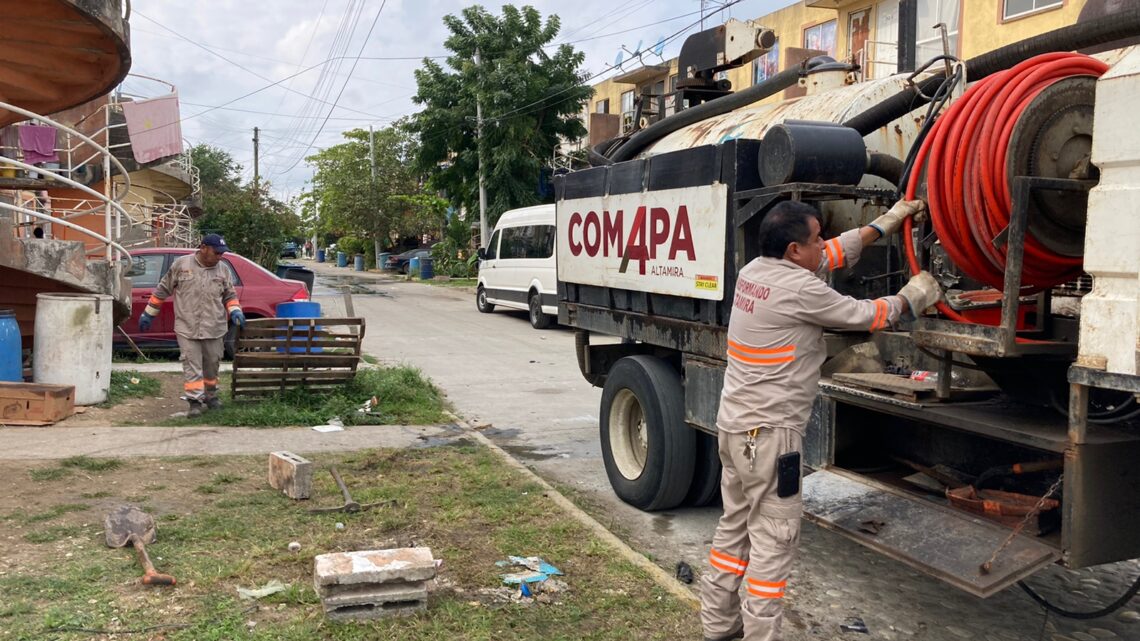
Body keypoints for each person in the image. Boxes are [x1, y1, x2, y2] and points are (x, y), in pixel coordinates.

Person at [699, 199, 942, 641]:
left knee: (734, 529)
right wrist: (914, 296)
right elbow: (869, 315)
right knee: (774, 543)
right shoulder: (801, 291)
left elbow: (830, 253)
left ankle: (718, 627)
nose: (823, 246)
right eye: (815, 239)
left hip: (735, 428)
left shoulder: (755, 271)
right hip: (771, 438)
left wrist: (883, 225)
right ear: (794, 250)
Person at [138, 234, 246, 417]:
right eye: (217, 252)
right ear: (203, 248)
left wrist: (235, 310)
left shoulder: (223, 270)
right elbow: (163, 289)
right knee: (192, 364)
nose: (220, 256)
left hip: (215, 326)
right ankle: (194, 401)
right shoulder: (182, 265)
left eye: (222, 253)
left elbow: (230, 295)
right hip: (187, 326)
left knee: (212, 364)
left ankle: (211, 396)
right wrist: (149, 313)